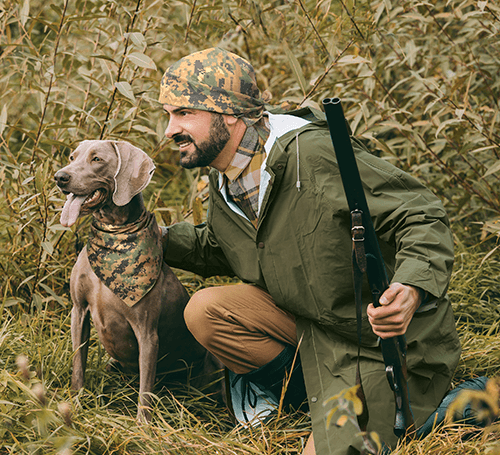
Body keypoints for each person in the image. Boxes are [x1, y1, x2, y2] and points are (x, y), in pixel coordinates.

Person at [157, 47, 461, 455]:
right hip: (311, 324)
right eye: (168, 115)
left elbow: (420, 213)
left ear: (227, 113)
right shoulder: (225, 174)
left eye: (182, 113)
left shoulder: (314, 154)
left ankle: (449, 407)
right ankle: (309, 399)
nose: (169, 129)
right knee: (205, 310)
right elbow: (223, 247)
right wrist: (145, 235)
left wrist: (410, 288)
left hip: (377, 339)